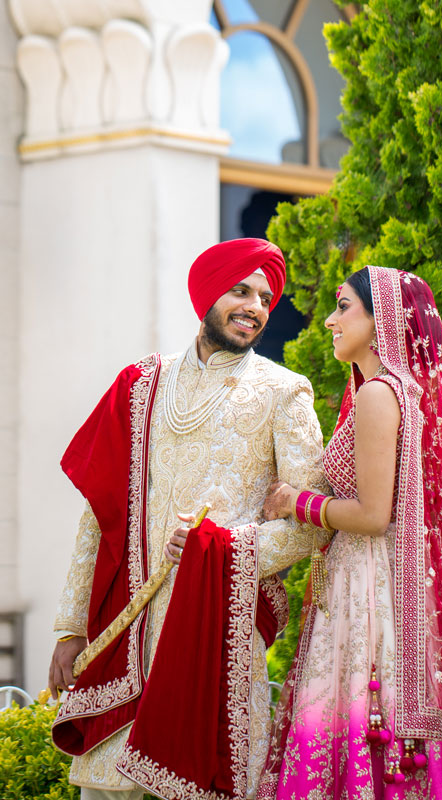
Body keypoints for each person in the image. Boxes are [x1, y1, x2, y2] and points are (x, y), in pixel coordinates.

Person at [47, 238, 330, 800]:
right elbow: (99, 516)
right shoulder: (139, 385)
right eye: (240, 290)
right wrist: (70, 627)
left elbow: (312, 521)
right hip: (123, 633)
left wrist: (223, 545)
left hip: (215, 631)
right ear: (207, 294)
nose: (254, 305)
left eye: (265, 297)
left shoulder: (284, 393)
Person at [258, 265, 442, 800]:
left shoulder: (381, 393)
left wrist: (296, 502)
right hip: (382, 581)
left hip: (371, 590)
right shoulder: (398, 389)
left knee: (358, 725)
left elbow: (374, 515)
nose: (330, 319)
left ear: (384, 321)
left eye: (343, 306)